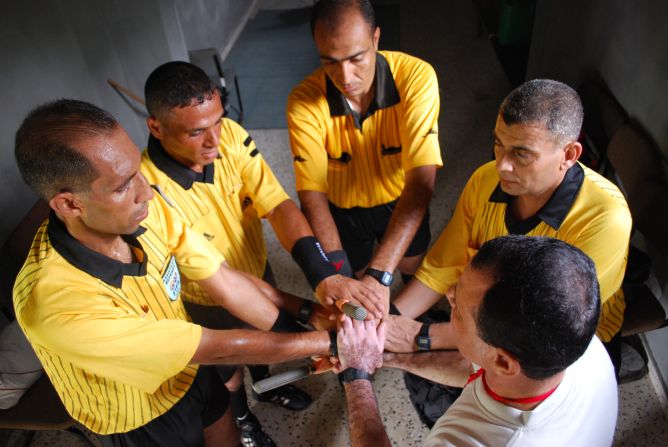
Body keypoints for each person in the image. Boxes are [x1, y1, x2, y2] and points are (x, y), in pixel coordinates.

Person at [12, 99, 338, 447]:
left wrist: (312, 314)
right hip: (142, 414)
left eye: (137, 170)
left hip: (191, 371)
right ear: (70, 204)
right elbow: (216, 348)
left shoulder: (143, 213)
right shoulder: (56, 304)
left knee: (224, 433)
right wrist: (334, 343)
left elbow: (223, 279)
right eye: (123, 186)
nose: (146, 192)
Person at [141, 61, 380, 445]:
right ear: (156, 127)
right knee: (229, 369)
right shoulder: (150, 194)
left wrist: (324, 275)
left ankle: (266, 386)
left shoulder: (231, 137)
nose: (214, 141)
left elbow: (278, 205)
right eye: (197, 131)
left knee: (263, 343)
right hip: (208, 295)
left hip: (256, 266)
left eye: (218, 121)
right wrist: (300, 338)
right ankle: (242, 417)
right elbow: (223, 284)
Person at [387, 79, 632, 374]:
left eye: (521, 154)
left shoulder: (604, 220)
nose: (501, 165)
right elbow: (442, 266)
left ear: (569, 155)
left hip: (565, 347)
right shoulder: (485, 179)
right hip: (488, 322)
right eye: (499, 144)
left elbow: (535, 329)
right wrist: (387, 320)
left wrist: (420, 337)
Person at [337, 236, 618, 446]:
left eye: (457, 309)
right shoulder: (575, 341)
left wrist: (356, 376)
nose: (448, 294)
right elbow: (476, 370)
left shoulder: (468, 441)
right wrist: (383, 359)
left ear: (502, 360)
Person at [287, 0, 443, 309]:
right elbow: (313, 196)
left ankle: (415, 311)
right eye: (329, 61)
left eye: (356, 58)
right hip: (343, 210)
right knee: (356, 276)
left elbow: (421, 182)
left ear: (375, 39)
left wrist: (382, 274)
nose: (345, 77)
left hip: (402, 198)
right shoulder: (303, 102)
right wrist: (339, 276)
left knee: (412, 265)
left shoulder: (416, 78)